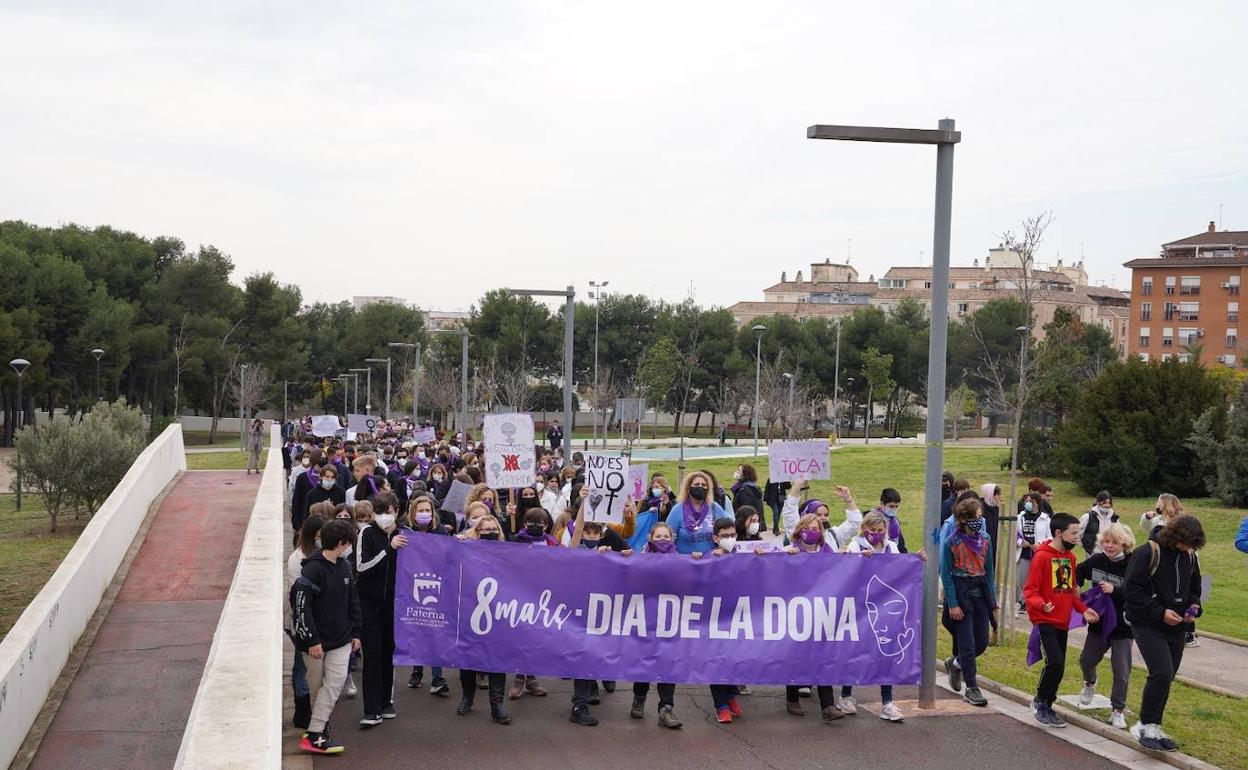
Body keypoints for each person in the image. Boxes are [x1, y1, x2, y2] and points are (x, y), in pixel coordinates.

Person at [1124, 514, 1204, 752]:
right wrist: (1160, 612)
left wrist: (1194, 607)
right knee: (1161, 672)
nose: (1188, 548)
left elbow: (1196, 587)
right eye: (1186, 542)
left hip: (1177, 625)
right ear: (1175, 536)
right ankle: (1143, 725)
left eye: (1193, 544)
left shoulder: (1189, 556)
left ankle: (1155, 726)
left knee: (1167, 677)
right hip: (1148, 623)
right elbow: (1132, 591)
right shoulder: (1148, 552)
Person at [291, 519, 362, 755]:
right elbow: (300, 606)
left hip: (341, 639)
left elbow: (353, 599)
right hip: (315, 644)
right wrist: (311, 640)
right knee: (316, 687)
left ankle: (314, 733)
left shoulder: (344, 567)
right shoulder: (312, 569)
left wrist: (356, 632)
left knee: (333, 684)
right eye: (349, 543)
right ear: (342, 543)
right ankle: (317, 731)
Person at [1024, 512, 1099, 728]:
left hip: (1062, 621)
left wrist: (1084, 610)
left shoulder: (1070, 558)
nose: (1077, 537)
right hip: (1044, 620)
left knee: (1060, 666)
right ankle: (1039, 701)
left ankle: (1049, 704)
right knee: (1054, 662)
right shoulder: (1042, 557)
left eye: (1078, 533)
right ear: (1058, 533)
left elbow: (1070, 593)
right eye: (1073, 533)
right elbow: (1030, 591)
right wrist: (1041, 604)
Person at [782, 513, 845, 722]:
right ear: (800, 530)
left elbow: (839, 571)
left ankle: (827, 705)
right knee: (795, 655)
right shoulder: (791, 550)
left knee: (823, 655)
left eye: (817, 528)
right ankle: (792, 698)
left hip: (820, 610)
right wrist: (784, 557)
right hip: (796, 611)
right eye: (808, 528)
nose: (813, 532)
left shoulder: (826, 550)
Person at [842, 511, 904, 722]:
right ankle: (846, 695)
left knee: (884, 653)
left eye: (880, 530)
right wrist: (861, 560)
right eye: (872, 530)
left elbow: (901, 568)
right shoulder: (855, 545)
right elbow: (847, 570)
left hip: (884, 607)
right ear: (864, 529)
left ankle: (887, 702)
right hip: (860, 607)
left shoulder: (891, 547)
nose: (877, 534)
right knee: (856, 651)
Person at [1075, 523, 1136, 729]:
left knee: (1121, 671)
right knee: (1086, 660)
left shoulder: (1134, 564)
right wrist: (1076, 591)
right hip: (1099, 623)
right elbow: (1077, 573)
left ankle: (1117, 710)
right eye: (1105, 542)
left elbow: (1140, 593)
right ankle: (1090, 683)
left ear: (1125, 543)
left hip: (1123, 626)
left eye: (1114, 542)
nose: (1109, 546)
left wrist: (1115, 590)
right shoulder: (1097, 560)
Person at [455, 513, 511, 724]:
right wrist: (458, 544)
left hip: (499, 612)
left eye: (493, 529)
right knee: (468, 657)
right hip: (470, 610)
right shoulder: (466, 550)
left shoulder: (508, 552)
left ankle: (497, 703)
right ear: (476, 532)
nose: (490, 533)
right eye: (485, 530)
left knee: (497, 658)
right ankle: (467, 696)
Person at [940, 496, 994, 708]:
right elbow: (946, 574)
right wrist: (952, 603)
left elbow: (989, 571)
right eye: (977, 517)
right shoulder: (951, 542)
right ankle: (971, 687)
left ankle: (955, 663)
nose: (980, 520)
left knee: (981, 642)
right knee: (968, 644)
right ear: (965, 519)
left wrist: (993, 601)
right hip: (961, 595)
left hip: (980, 594)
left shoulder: (986, 539)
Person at [629, 521, 684, 729]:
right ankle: (639, 697)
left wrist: (697, 561)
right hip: (646, 618)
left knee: (668, 662)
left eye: (666, 536)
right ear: (650, 538)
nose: (662, 540)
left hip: (670, 619)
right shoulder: (639, 559)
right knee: (645, 660)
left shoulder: (681, 560)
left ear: (672, 538)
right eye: (658, 536)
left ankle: (666, 708)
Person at [354, 494, 401, 728]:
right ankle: (371, 710)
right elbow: (362, 567)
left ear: (397, 511)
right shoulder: (367, 533)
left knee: (388, 653)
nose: (384, 516)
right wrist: (388, 550)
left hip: (395, 604)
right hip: (370, 604)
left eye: (388, 511)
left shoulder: (405, 533)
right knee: (372, 656)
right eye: (379, 511)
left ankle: (386, 701)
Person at [399, 495, 451, 695]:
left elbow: (451, 557)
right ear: (413, 513)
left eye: (428, 510)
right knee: (417, 629)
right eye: (420, 511)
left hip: (437, 588)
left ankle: (437, 677)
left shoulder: (441, 532)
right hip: (411, 588)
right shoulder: (405, 533)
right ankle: (417, 670)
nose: (424, 514)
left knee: (435, 631)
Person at [507, 508, 556, 701]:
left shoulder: (551, 543)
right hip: (519, 593)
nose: (535, 526)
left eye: (540, 523)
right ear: (524, 523)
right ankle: (519, 678)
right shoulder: (516, 541)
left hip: (543, 595)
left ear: (546, 526)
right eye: (531, 522)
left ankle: (531, 677)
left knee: (535, 636)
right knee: (522, 635)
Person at [286, 513, 326, 730]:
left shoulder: (324, 555)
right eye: (318, 536)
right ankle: (301, 711)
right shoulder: (298, 559)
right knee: (301, 666)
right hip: (302, 621)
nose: (321, 539)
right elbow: (299, 597)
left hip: (321, 620)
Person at [705, 519, 745, 723]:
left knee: (734, 659)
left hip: (739, 618)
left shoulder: (744, 555)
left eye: (732, 535)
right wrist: (712, 561)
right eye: (724, 536)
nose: (729, 539)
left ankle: (730, 695)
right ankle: (721, 705)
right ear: (715, 538)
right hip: (715, 620)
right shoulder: (709, 557)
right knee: (716, 661)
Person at [664, 471, 728, 555]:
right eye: (697, 484)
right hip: (686, 562)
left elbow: (727, 533)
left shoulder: (715, 508)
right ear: (688, 488)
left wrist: (721, 549)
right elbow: (668, 538)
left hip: (711, 561)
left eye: (703, 485)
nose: (700, 487)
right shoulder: (677, 510)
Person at [1015, 492, 1051, 614]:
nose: (1028, 503)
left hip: (1038, 554)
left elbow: (1050, 537)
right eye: (1027, 501)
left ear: (1037, 503)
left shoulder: (1046, 519)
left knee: (1036, 580)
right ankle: (1022, 602)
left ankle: (1035, 603)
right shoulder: (1020, 517)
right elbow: (1014, 534)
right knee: (1021, 579)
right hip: (1023, 553)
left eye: (1031, 501)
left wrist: (1040, 543)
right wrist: (1020, 541)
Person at [1078, 491, 1119, 556]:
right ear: (1098, 502)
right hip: (1093, 554)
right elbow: (1077, 533)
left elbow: (1118, 534)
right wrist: (1087, 547)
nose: (1107, 505)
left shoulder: (1114, 517)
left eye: (1109, 503)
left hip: (1110, 554)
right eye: (1105, 503)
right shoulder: (1088, 517)